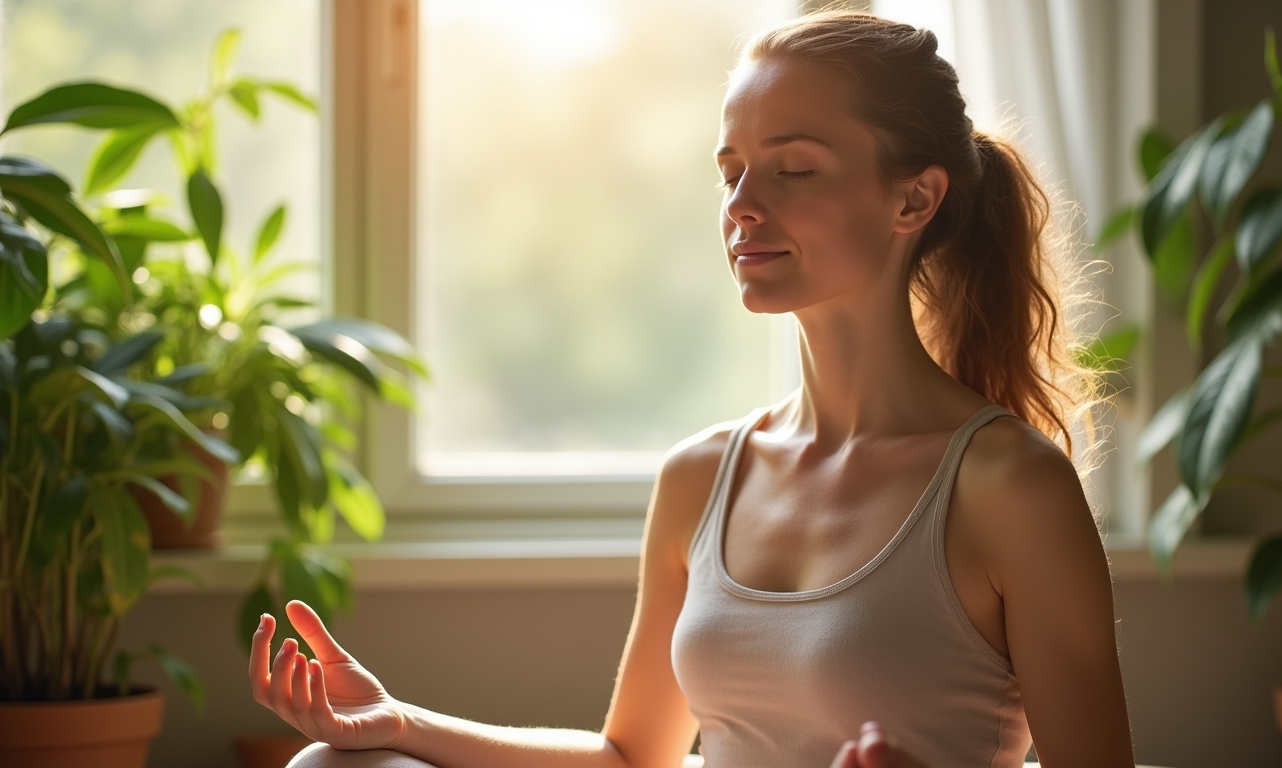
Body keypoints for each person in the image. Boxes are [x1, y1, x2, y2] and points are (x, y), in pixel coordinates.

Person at [249, 11, 1135, 768]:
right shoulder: (701, 477)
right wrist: (398, 721)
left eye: (793, 168)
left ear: (913, 201)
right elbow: (633, 756)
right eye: (730, 170)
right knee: (333, 760)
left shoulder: (1010, 488)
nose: (743, 203)